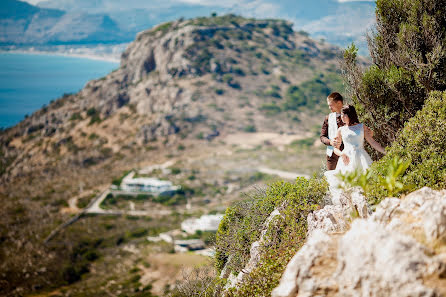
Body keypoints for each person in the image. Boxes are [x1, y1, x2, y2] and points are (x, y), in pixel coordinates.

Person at [324, 104, 385, 204]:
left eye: (344, 115)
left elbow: (372, 142)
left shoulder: (361, 127)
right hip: (346, 159)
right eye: (341, 116)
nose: (342, 118)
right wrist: (342, 154)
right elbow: (335, 149)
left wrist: (385, 151)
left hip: (361, 157)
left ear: (350, 115)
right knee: (347, 186)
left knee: (365, 182)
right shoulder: (341, 130)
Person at [320, 92, 345, 170]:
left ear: (339, 103)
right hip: (332, 156)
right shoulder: (328, 118)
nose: (329, 108)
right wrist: (330, 142)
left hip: (346, 153)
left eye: (331, 105)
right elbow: (322, 136)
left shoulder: (349, 116)